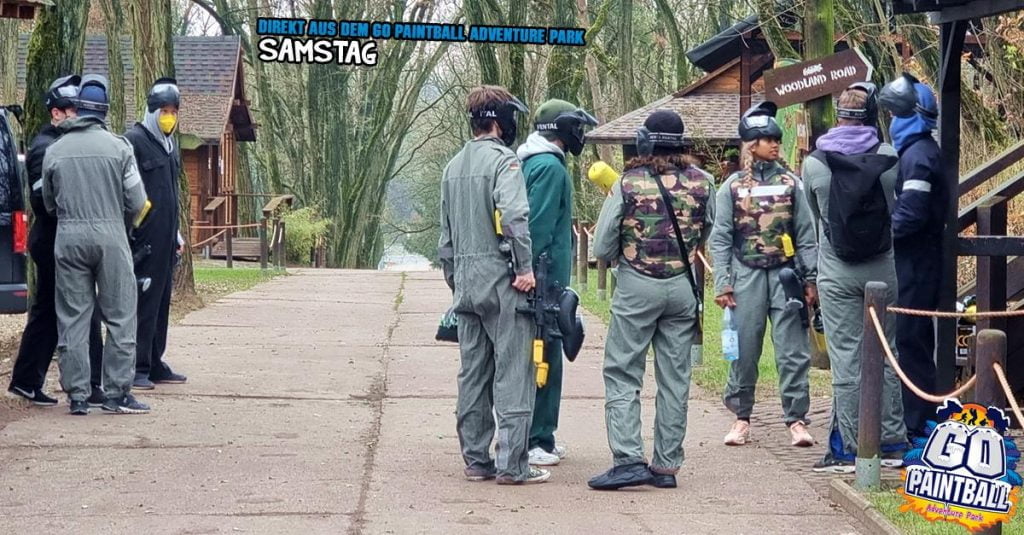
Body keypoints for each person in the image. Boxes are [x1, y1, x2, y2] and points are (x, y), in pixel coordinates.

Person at [587, 109, 714, 490]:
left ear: (645, 142)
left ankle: (628, 459)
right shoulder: (705, 182)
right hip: (682, 286)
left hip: (636, 286)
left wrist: (625, 255)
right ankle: (666, 466)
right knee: (675, 378)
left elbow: (602, 245)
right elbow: (708, 230)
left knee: (623, 371)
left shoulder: (627, 183)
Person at [437, 85, 548, 485]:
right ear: (501, 121)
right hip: (503, 282)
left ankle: (475, 460)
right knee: (514, 373)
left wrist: (456, 283)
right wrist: (524, 268)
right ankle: (512, 465)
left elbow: (445, 239)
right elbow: (515, 217)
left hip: (466, 283)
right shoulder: (505, 162)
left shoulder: (453, 167)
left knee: (473, 374)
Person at [802, 84, 909, 472]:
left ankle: (849, 448)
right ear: (872, 116)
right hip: (882, 268)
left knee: (846, 358)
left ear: (838, 115)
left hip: (836, 271)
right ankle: (892, 442)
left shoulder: (815, 163)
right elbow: (895, 206)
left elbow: (815, 218)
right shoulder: (889, 157)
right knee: (886, 352)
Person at [709, 101, 817, 448]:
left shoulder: (792, 184)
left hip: (787, 277)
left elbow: (806, 235)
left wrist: (811, 279)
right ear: (752, 145)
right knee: (743, 350)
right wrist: (723, 282)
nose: (775, 145)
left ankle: (796, 419)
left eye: (777, 139)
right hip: (746, 276)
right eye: (769, 139)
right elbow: (720, 237)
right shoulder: (732, 187)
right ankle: (741, 418)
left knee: (793, 352)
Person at [42, 74, 150, 415]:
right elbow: (138, 201)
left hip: (68, 238)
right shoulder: (120, 148)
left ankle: (77, 395)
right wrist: (123, 224)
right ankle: (117, 393)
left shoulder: (55, 150)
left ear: (77, 108)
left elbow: (48, 203)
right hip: (111, 235)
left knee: (73, 317)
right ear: (105, 110)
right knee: (120, 315)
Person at [6, 75, 105, 408]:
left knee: (51, 312)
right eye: (71, 109)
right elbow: (42, 202)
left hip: (63, 239)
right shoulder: (45, 147)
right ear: (56, 113)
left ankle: (28, 379)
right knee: (67, 310)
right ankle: (86, 383)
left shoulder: (63, 144)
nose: (77, 115)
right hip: (53, 241)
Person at [515, 98, 597, 467]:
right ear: (560, 128)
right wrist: (531, 271)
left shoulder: (538, 161)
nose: (580, 134)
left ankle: (542, 436)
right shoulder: (549, 167)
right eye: (576, 127)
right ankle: (535, 439)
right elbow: (538, 225)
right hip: (544, 280)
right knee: (544, 355)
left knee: (545, 353)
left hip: (543, 276)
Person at [879, 74, 945, 440]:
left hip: (916, 262)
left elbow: (912, 214)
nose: (891, 120)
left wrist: (878, 237)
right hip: (915, 259)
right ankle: (914, 419)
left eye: (895, 114)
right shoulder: (917, 151)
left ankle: (917, 423)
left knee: (911, 340)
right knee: (909, 339)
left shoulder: (918, 156)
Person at [125, 77, 187, 389]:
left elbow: (171, 193)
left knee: (162, 302)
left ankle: (154, 361)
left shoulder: (170, 146)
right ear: (152, 111)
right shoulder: (133, 141)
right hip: (143, 238)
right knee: (144, 303)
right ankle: (137, 367)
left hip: (165, 237)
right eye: (164, 111)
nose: (169, 117)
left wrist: (176, 234)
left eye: (174, 111)